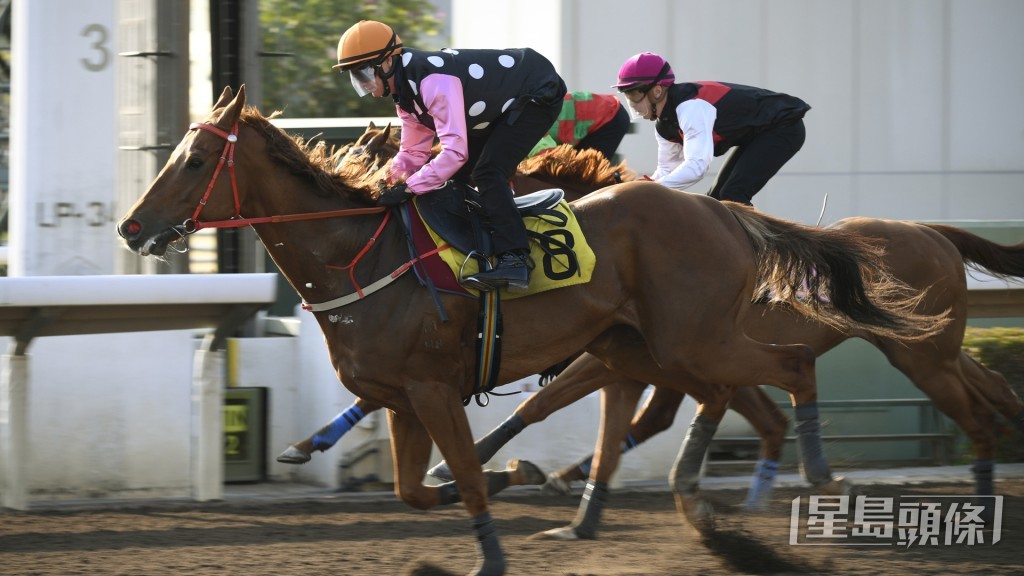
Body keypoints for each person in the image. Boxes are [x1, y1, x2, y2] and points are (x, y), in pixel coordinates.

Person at [333, 20, 567, 292]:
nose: (364, 85)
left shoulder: (432, 82)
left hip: (537, 91)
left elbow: (455, 153)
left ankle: (515, 259)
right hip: (499, 106)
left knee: (488, 171)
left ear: (386, 63)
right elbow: (411, 153)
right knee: (455, 177)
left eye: (363, 74)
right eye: (355, 78)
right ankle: (481, 243)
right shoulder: (405, 97)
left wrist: (408, 188)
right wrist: (383, 184)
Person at [612, 51, 810, 206]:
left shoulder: (690, 108)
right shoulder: (663, 126)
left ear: (656, 91)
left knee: (733, 195)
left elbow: (697, 167)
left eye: (635, 96)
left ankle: (760, 254)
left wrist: (648, 190)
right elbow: (666, 170)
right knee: (715, 199)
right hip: (758, 133)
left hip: (784, 126)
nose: (633, 104)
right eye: (628, 97)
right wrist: (641, 185)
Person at [528, 91, 630, 161]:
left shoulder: (522, 130)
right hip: (598, 114)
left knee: (585, 177)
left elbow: (548, 156)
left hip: (609, 117)